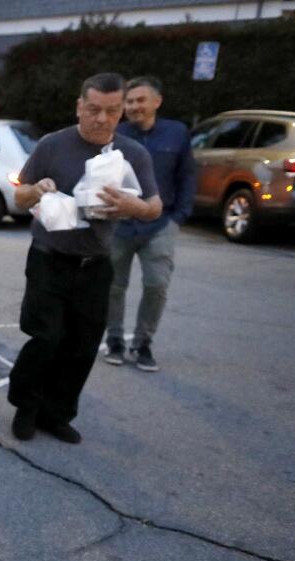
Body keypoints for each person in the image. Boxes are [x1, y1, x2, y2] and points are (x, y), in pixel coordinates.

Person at [9, 72, 162, 444]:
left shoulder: (132, 154)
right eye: (93, 109)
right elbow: (19, 197)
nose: (102, 119)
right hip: (49, 257)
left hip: (95, 264)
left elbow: (155, 206)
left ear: (121, 111)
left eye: (112, 111)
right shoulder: (53, 145)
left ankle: (56, 413)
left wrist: (134, 205)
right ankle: (26, 407)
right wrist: (37, 189)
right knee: (46, 337)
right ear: (79, 106)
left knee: (81, 345)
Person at [104, 76, 195, 372]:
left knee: (157, 284)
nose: (134, 106)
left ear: (157, 101)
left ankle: (143, 343)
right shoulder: (116, 134)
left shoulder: (177, 133)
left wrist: (178, 216)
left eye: (140, 100)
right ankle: (115, 340)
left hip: (160, 223)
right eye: (129, 102)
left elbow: (187, 176)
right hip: (120, 224)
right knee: (113, 286)